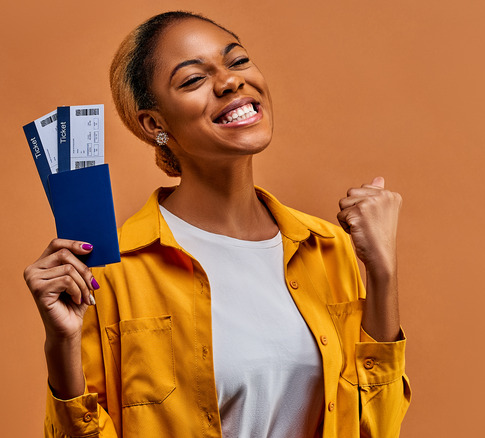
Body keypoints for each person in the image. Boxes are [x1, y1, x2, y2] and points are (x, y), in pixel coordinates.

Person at [24, 11, 410, 438]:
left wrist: (383, 274)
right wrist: (61, 345)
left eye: (238, 61)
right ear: (155, 125)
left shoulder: (327, 247)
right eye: (192, 80)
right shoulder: (108, 272)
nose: (230, 82)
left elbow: (377, 427)